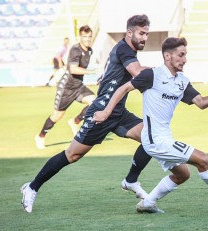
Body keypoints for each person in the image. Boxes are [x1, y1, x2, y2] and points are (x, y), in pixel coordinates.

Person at [21, 14, 153, 213]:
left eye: (147, 34)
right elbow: (137, 72)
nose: (145, 38)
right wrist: (164, 71)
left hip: (118, 112)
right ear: (129, 32)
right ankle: (31, 187)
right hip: (101, 112)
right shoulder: (125, 49)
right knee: (72, 155)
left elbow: (113, 69)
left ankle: (131, 180)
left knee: (150, 136)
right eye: (141, 33)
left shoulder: (122, 48)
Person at [93, 37, 208, 214]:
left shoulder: (182, 81)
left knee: (182, 175)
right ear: (167, 56)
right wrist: (106, 112)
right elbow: (123, 88)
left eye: (185, 55)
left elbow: (201, 102)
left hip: (164, 138)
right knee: (202, 159)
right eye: (181, 55)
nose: (184, 59)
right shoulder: (152, 75)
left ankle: (147, 204)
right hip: (154, 140)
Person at [35, 26, 97, 149]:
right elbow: (73, 69)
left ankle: (75, 122)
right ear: (80, 37)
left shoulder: (90, 50)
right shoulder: (75, 49)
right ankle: (40, 136)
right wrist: (92, 72)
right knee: (57, 116)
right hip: (67, 88)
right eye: (85, 36)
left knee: (96, 103)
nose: (87, 39)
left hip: (78, 86)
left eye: (89, 36)